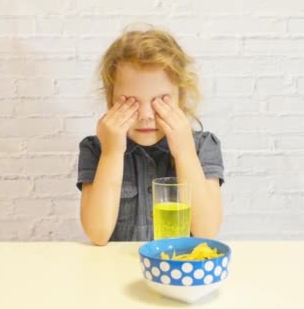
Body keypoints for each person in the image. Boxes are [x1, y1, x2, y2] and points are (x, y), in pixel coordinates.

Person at [76, 26, 225, 246]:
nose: (146, 116)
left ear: (180, 100)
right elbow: (98, 234)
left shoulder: (202, 146)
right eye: (130, 102)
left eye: (160, 101)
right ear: (111, 101)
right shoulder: (97, 149)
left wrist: (184, 152)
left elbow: (206, 232)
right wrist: (112, 153)